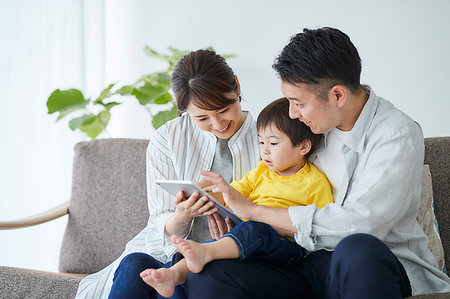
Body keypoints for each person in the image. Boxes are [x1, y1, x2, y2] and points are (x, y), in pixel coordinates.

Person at [184, 28, 450, 298]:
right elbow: (274, 176)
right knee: (208, 277)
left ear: (337, 95)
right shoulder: (312, 127)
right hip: (306, 261)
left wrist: (255, 212)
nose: (292, 112)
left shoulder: (395, 134)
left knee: (357, 249)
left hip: (374, 265)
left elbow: (364, 225)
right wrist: (214, 198)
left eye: (297, 102)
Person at [75, 49, 261, 299]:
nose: (218, 125)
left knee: (189, 284)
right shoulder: (167, 138)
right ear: (183, 110)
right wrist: (183, 215)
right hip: (170, 250)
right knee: (133, 265)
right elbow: (159, 220)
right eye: (202, 118)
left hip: (234, 256)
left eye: (224, 109)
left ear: (236, 86)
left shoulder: (269, 137)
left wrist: (233, 233)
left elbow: (278, 210)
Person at [140, 97, 333, 297]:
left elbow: (323, 226)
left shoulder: (314, 181)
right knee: (213, 246)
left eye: (273, 143)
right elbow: (233, 193)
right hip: (251, 238)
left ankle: (202, 255)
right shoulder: (261, 171)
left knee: (252, 229)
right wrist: (203, 193)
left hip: (286, 246)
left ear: (303, 147)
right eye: (261, 141)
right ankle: (174, 274)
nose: (264, 150)